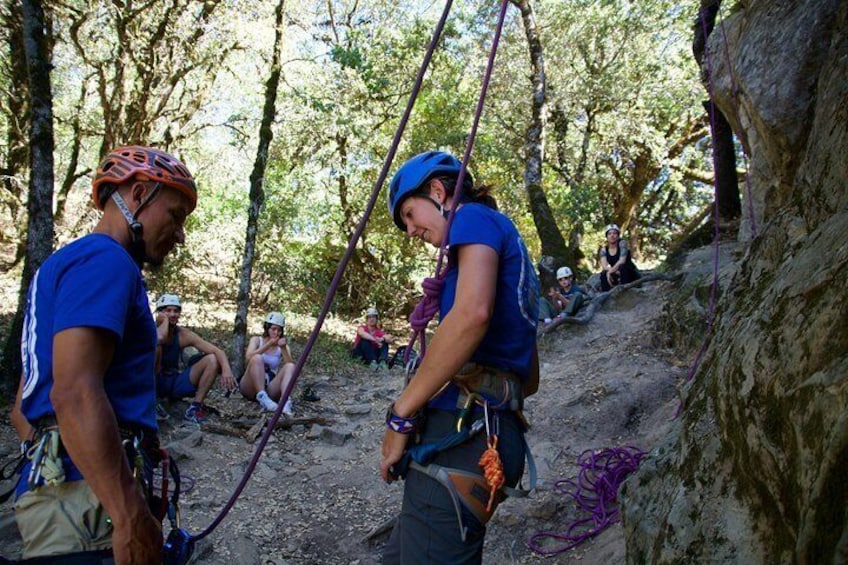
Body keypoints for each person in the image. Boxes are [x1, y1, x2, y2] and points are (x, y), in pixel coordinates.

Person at [9, 146, 197, 563]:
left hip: (60, 499)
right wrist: (127, 514)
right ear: (139, 193)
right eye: (176, 215)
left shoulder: (60, 265)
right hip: (91, 510)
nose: (180, 234)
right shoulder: (106, 260)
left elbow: (23, 407)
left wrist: (56, 457)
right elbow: (73, 391)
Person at [381, 151, 540, 563]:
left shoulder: (471, 217)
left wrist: (400, 415)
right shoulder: (511, 253)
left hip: (463, 435)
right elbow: (531, 377)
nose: (411, 230)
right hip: (487, 433)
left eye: (411, 215)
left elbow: (471, 315)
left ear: (438, 191)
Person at [155, 293, 237, 423]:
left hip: (173, 381)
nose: (172, 314)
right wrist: (163, 322)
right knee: (156, 347)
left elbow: (217, 351)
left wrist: (226, 370)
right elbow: (159, 338)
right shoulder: (147, 330)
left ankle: (194, 408)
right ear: (159, 313)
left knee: (212, 359)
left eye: (176, 311)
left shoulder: (183, 335)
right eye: (168, 311)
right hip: (152, 381)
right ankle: (151, 402)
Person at [239, 311, 296, 415]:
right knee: (257, 358)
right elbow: (248, 357)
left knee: (290, 366)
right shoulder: (256, 340)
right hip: (249, 385)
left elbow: (290, 367)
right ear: (267, 328)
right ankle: (261, 396)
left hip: (269, 385)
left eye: (279, 330)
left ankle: (285, 401)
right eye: (273, 329)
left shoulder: (282, 347)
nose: (276, 333)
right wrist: (268, 344)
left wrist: (283, 348)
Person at [598, 223, 640, 291]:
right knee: (603, 274)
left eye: (614, 233)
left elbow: (622, 261)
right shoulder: (604, 250)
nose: (612, 236)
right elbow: (605, 266)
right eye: (609, 234)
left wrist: (610, 272)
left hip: (628, 272)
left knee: (622, 268)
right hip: (616, 272)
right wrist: (610, 272)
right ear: (607, 236)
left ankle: (625, 291)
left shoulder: (622, 243)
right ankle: (605, 294)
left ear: (618, 235)